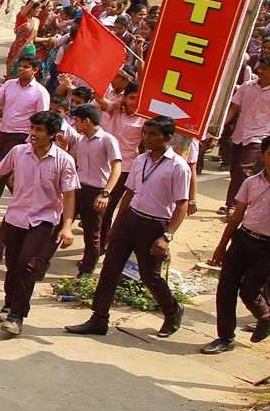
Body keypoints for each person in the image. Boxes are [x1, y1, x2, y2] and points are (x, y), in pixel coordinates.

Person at [0, 109, 77, 338]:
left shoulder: (63, 160)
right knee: (12, 265)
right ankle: (9, 304)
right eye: (32, 128)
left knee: (26, 264)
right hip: (16, 217)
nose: (33, 133)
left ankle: (17, 315)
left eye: (39, 130)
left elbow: (69, 196)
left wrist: (67, 226)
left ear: (52, 134)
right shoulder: (18, 152)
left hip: (44, 219)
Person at [65, 115, 191, 340]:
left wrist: (167, 236)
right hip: (130, 219)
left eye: (153, 135)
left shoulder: (178, 166)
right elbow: (130, 192)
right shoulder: (141, 159)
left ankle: (172, 310)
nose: (147, 138)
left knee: (150, 276)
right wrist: (117, 222)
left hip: (155, 225)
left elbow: (181, 205)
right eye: (145, 133)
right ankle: (99, 318)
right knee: (109, 269)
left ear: (168, 138)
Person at [203, 145, 270, 354]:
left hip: (266, 248)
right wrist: (221, 246)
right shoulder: (251, 182)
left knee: (250, 293)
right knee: (225, 289)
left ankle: (265, 318)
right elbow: (237, 216)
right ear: (262, 156)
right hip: (243, 239)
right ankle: (225, 337)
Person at [0, 54, 51, 232]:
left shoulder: (40, 92)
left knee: (0, 171)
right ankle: (31, 203)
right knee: (12, 174)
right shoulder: (10, 85)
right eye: (21, 65)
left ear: (34, 71)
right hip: (4, 133)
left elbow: (43, 120)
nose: (21, 69)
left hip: (21, 136)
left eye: (26, 67)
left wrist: (31, 142)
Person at [67, 104, 122, 276]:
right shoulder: (80, 141)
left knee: (92, 233)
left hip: (97, 190)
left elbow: (117, 167)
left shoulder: (107, 140)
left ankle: (87, 268)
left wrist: (106, 193)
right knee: (62, 224)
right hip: (79, 188)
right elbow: (72, 161)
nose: (74, 124)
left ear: (87, 121)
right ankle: (40, 265)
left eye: (76, 120)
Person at [216, 57, 270, 212]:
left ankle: (235, 205)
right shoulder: (247, 86)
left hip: (259, 136)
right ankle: (234, 204)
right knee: (234, 170)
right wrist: (220, 127)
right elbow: (234, 108)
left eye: (265, 68)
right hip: (240, 134)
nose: (260, 70)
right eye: (260, 67)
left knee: (242, 169)